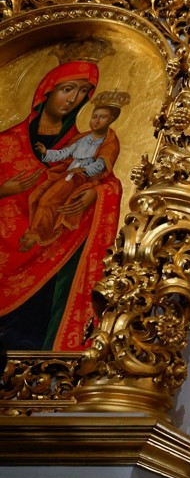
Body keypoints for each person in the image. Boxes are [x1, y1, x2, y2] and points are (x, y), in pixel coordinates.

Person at [0, 56, 123, 351]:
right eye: (67, 89)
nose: (73, 99)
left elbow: (104, 178)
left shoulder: (82, 143)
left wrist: (97, 194)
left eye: (83, 93)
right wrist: (5, 190)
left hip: (51, 259)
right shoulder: (6, 142)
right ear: (46, 91)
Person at [21, 101, 123, 251]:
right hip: (68, 174)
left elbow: (101, 165)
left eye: (102, 117)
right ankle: (35, 231)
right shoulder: (83, 138)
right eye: (94, 116)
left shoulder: (109, 143)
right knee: (36, 196)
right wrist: (46, 153)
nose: (96, 120)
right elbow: (65, 153)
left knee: (46, 200)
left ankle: (36, 236)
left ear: (111, 120)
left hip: (80, 179)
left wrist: (83, 170)